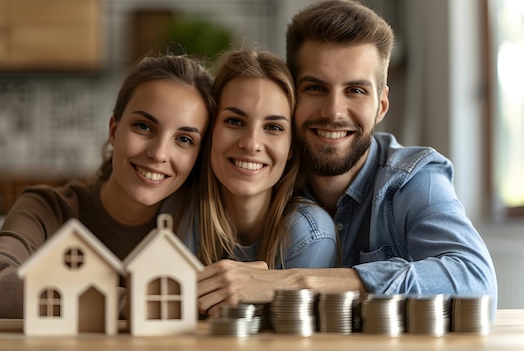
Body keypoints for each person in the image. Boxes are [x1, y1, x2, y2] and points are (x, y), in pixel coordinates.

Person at [196, 0, 497, 313]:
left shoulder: (412, 178)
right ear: (290, 96)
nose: (333, 112)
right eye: (315, 87)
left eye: (355, 90)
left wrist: (295, 282)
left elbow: (476, 280)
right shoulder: (260, 172)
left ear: (381, 105)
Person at [0, 54, 215, 318]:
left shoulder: (204, 223)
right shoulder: (48, 209)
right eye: (144, 126)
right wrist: (132, 303)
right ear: (114, 131)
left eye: (184, 139)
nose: (159, 153)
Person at [187, 49, 337, 317]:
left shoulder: (311, 234)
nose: (251, 143)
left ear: (292, 146)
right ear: (211, 131)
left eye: (274, 127)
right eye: (234, 121)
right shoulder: (179, 213)